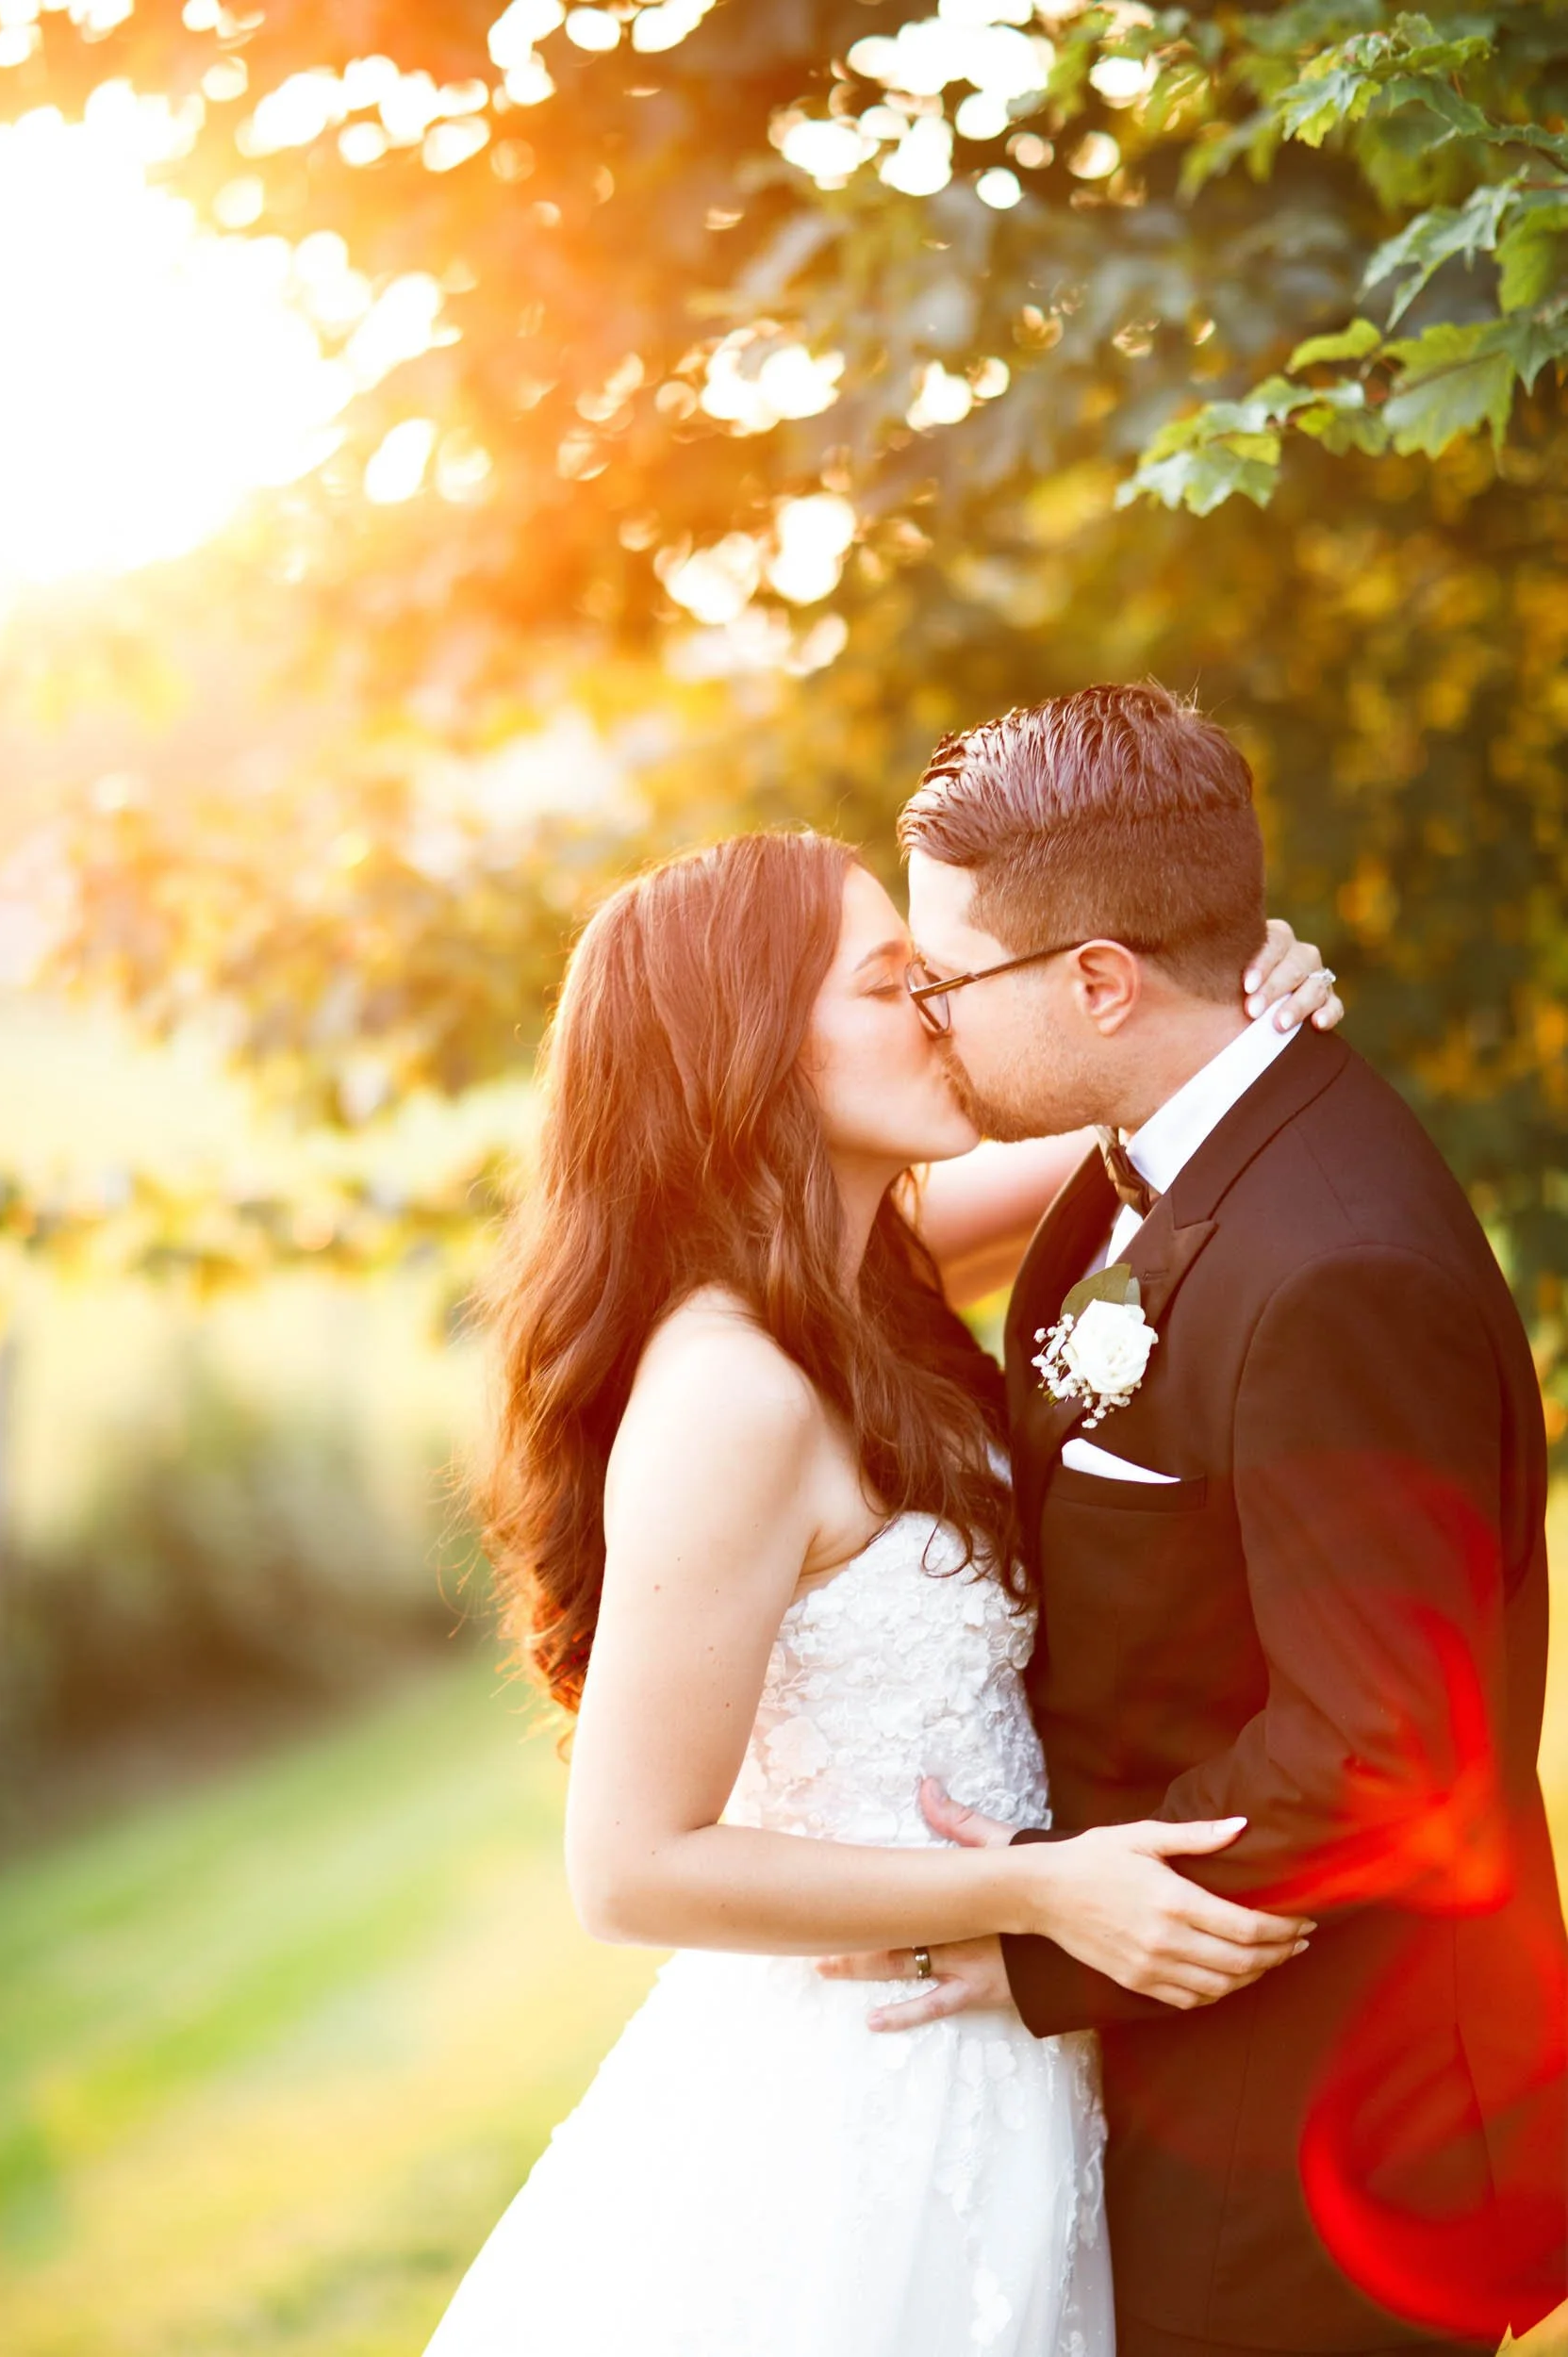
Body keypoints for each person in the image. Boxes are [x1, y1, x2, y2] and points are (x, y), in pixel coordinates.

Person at [422, 826, 1342, 2357]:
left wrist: (1251, 1003)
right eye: (891, 984)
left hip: (993, 2064)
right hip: (855, 2101)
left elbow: (1152, 1103)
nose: (942, 1011)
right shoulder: (727, 1390)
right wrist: (1035, 1889)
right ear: (747, 1050)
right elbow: (629, 1869)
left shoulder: (864, 1282)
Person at [826, 684, 1568, 2357]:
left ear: (1099, 979)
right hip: (1208, 2095)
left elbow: (1382, 1748)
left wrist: (1044, 1918)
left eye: (946, 980)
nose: (929, 1019)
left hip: (1320, 2140)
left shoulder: (1334, 1267)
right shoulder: (1144, 1153)